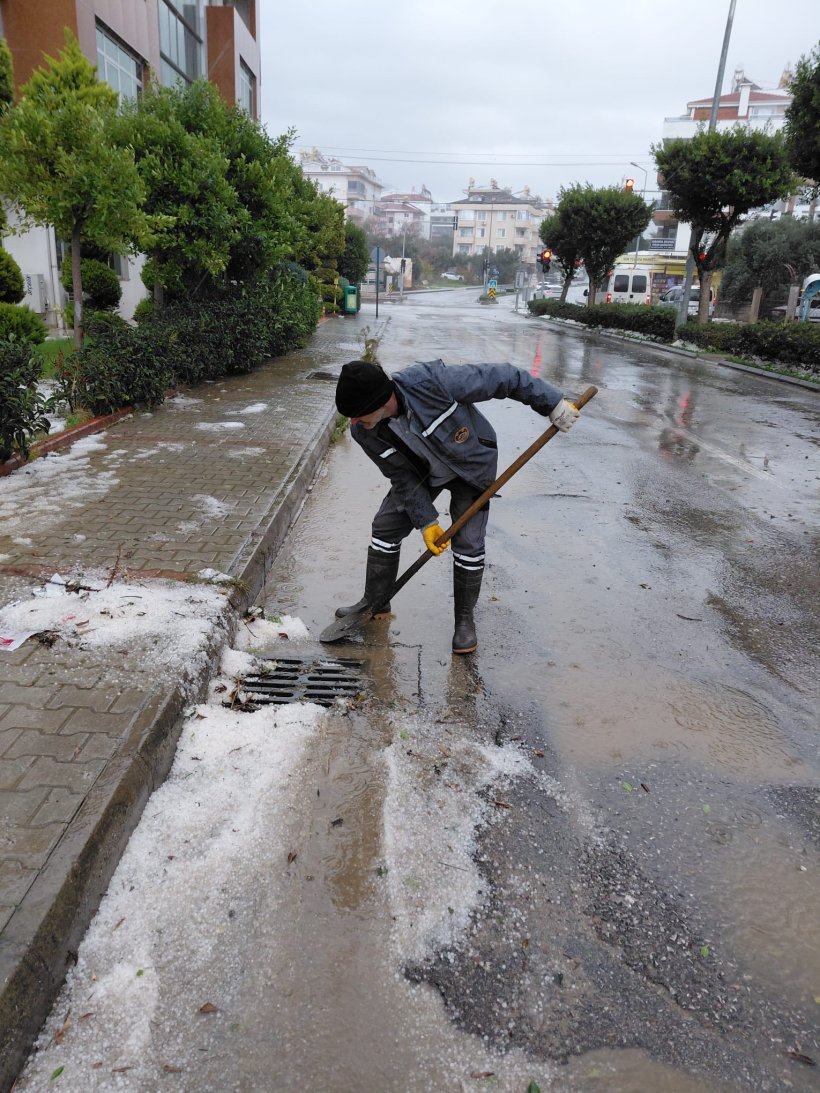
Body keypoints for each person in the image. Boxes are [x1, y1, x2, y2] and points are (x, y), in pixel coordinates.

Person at [333, 358, 579, 654]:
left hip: (470, 466)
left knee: (468, 542)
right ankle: (375, 601)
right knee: (385, 526)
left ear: (379, 401)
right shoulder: (364, 431)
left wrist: (552, 403)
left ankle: (464, 620)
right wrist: (427, 522)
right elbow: (400, 477)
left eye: (357, 414)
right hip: (421, 474)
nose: (353, 423)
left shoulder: (430, 382)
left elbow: (503, 377)